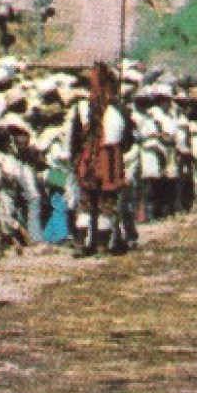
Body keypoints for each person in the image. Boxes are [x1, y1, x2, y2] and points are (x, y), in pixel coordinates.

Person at [69, 63, 131, 256]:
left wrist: (77, 158)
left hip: (88, 159)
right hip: (110, 160)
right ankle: (102, 246)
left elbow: (75, 138)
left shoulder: (81, 107)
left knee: (86, 202)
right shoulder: (119, 108)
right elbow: (128, 138)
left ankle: (81, 244)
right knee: (106, 203)